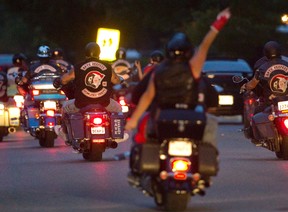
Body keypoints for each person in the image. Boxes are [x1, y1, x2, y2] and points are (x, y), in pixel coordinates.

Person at [125, 8, 231, 137]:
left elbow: (147, 96)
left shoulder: (157, 71)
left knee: (143, 130)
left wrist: (134, 120)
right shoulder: (194, 68)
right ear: (189, 51)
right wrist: (219, 23)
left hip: (163, 119)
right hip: (191, 118)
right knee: (211, 123)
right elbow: (204, 45)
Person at [53, 42, 127, 141]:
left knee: (64, 108)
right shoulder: (107, 66)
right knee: (118, 109)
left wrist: (60, 80)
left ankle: (64, 132)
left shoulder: (78, 66)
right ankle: (117, 135)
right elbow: (116, 80)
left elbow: (64, 80)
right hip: (104, 103)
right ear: (99, 53)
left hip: (81, 104)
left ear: (86, 53)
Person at [240, 41, 288, 141]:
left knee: (256, 114)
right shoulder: (286, 64)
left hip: (271, 101)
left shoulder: (262, 68)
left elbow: (253, 84)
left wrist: (245, 86)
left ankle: (257, 137)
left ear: (266, 53)